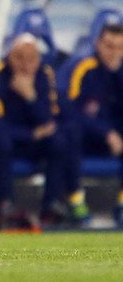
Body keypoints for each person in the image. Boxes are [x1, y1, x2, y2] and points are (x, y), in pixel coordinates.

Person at [0, 34, 78, 229]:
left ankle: (52, 205)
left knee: (59, 141)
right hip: (12, 139)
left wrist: (30, 96)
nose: (25, 65)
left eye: (31, 59)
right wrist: (30, 134)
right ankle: (4, 203)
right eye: (19, 58)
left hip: (37, 141)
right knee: (1, 143)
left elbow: (49, 120)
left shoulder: (44, 75)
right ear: (9, 57)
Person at [61, 23, 123, 227]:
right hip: (87, 136)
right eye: (109, 46)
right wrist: (106, 133)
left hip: (115, 138)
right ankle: (75, 200)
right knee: (70, 132)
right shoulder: (83, 68)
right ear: (98, 44)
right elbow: (71, 111)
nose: (114, 53)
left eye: (119, 47)